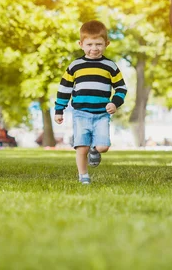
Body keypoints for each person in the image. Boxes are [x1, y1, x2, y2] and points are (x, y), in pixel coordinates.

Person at [54, 20, 128, 185]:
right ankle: (84, 176)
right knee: (81, 147)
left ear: (106, 44)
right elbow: (64, 88)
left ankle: (95, 150)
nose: (94, 48)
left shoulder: (110, 66)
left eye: (99, 44)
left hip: (102, 114)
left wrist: (115, 103)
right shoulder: (75, 66)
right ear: (81, 44)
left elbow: (121, 88)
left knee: (103, 147)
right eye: (89, 44)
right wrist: (59, 110)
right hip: (80, 114)